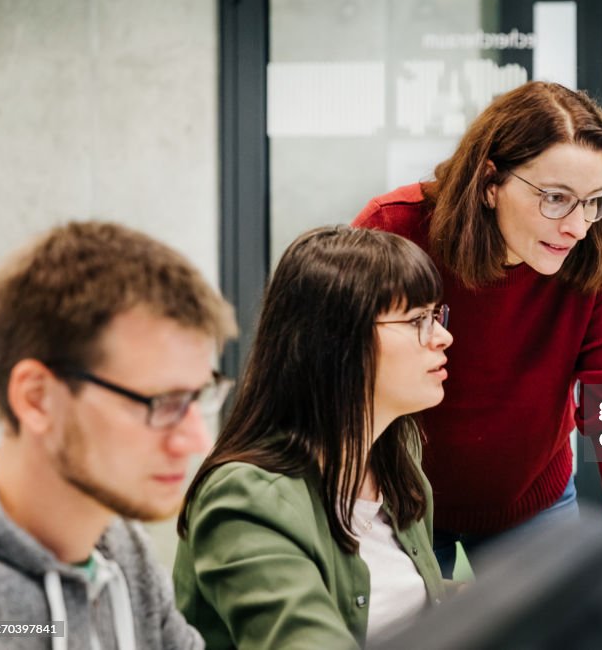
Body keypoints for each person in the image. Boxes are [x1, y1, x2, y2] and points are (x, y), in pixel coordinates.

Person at [353, 81, 602, 609]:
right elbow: (340, 382)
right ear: (490, 181)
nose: (577, 227)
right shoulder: (396, 229)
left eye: (592, 202)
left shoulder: (599, 245)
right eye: (555, 199)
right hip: (402, 500)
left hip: (532, 496)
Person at [174, 225, 454, 649]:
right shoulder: (245, 499)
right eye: (418, 320)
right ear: (338, 343)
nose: (443, 336)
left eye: (436, 316)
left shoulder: (397, 457)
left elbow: (401, 598)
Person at [0, 221, 237, 648]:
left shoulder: (122, 550)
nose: (196, 441)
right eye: (162, 402)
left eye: (197, 397)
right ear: (37, 399)